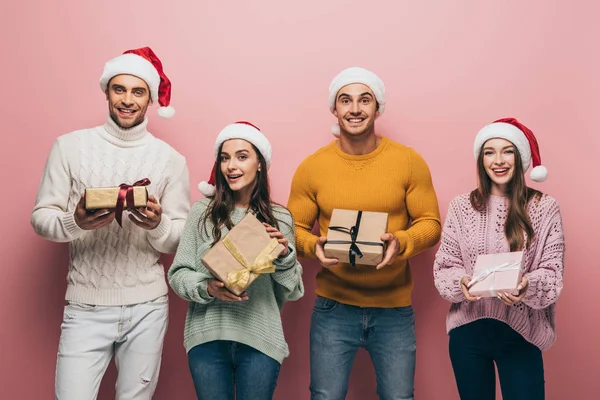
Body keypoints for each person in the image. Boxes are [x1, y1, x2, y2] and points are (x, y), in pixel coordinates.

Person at [30, 46, 190, 399]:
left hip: (147, 306)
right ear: (106, 92)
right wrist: (76, 222)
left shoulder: (171, 161)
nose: (128, 100)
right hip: (85, 305)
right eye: (119, 89)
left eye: (138, 92)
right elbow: (41, 218)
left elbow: (179, 238)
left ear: (150, 99)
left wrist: (157, 226)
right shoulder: (69, 147)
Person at [287, 67, 442, 400]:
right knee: (325, 397)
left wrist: (403, 241)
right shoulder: (312, 167)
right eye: (346, 100)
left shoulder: (409, 162)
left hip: (394, 309)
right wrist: (314, 246)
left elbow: (430, 223)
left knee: (399, 398)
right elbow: (292, 231)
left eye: (364, 100)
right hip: (333, 308)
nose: (355, 109)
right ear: (335, 108)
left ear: (377, 108)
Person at [168, 121, 304, 400]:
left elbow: (293, 290)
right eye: (225, 157)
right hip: (207, 338)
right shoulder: (201, 213)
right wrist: (208, 288)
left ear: (260, 164)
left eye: (242, 156)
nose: (231, 165)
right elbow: (178, 274)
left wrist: (284, 256)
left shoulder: (280, 219)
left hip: (260, 340)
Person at [433, 117, 565, 400]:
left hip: (520, 332)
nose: (498, 160)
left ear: (519, 158)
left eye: (507, 151)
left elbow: (553, 274)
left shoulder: (544, 207)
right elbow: (445, 266)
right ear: (481, 160)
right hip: (468, 331)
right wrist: (462, 283)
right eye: (489, 152)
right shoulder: (461, 207)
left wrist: (525, 286)